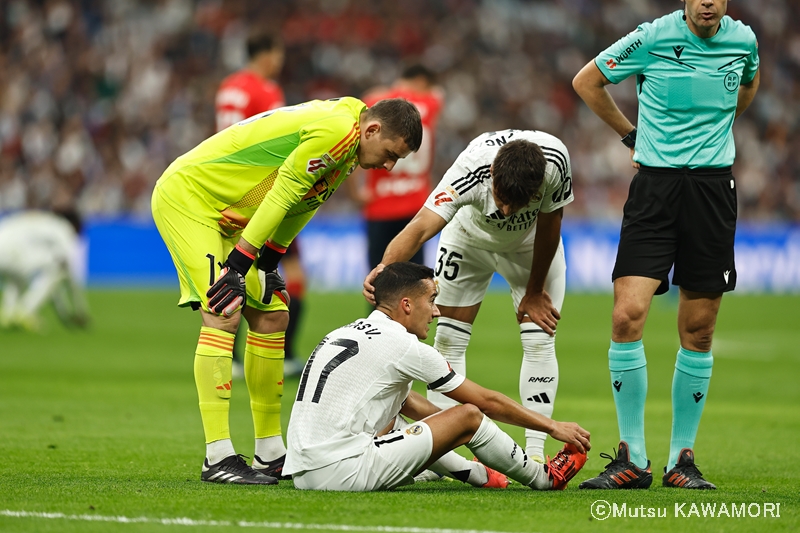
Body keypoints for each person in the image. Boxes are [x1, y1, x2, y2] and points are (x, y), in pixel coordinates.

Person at [152, 97, 422, 485]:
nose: (389, 166)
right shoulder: (336, 131)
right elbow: (282, 192)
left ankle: (270, 452)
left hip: (229, 214)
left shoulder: (348, 141)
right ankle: (218, 456)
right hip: (191, 199)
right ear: (373, 130)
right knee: (223, 309)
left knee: (274, 313)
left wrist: (270, 259)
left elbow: (305, 201)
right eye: (391, 154)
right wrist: (242, 263)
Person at [572, 0, 759, 490]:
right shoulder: (652, 36)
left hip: (713, 191)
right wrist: (630, 135)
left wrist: (717, 129)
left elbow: (749, 85)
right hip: (654, 190)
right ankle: (632, 457)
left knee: (698, 330)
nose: (707, 2)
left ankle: (682, 460)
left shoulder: (744, 41)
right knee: (625, 315)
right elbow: (587, 80)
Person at [363, 131, 574, 464]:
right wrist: (384, 269)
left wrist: (534, 291)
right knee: (447, 341)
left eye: (517, 203)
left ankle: (534, 454)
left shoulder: (555, 163)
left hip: (529, 248)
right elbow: (420, 227)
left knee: (539, 339)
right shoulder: (469, 170)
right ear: (491, 175)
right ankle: (441, 454)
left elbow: (551, 220)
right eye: (502, 197)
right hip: (467, 241)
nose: (505, 210)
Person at [285, 262, 590, 491]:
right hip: (342, 470)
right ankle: (545, 478)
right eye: (431, 300)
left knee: (409, 419)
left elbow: (421, 411)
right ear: (406, 305)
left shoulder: (345, 330)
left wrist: (460, 434)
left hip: (305, 471)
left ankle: (480, 474)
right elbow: (485, 403)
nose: (436, 312)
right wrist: (552, 426)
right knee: (470, 415)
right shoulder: (404, 345)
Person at [215, 31, 305, 378]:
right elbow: (276, 135)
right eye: (278, 54)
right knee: (290, 277)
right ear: (267, 54)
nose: (279, 62)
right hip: (262, 190)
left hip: (229, 185)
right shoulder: (265, 90)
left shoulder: (228, 87)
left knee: (231, 271)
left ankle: (232, 357)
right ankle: (285, 354)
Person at [349, 64, 444, 268]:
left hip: (380, 203)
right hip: (416, 202)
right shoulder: (432, 102)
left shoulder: (377, 102)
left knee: (378, 276)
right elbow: (438, 93)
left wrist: (355, 193)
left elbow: (360, 151)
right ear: (421, 82)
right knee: (413, 275)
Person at [0, 209, 89, 331]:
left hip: (5, 244)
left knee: (16, 278)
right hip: (12, 252)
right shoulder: (63, 228)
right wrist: (79, 310)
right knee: (57, 272)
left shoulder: (44, 220)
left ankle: (7, 315)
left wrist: (64, 314)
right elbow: (67, 272)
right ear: (74, 224)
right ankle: (25, 312)